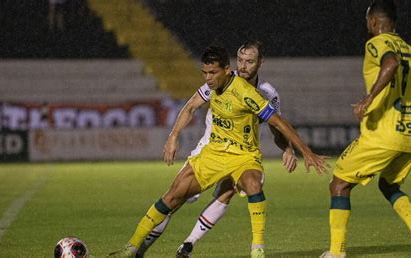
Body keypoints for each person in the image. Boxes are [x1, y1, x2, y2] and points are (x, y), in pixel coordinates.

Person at [108, 45, 328, 258]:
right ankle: (132, 249)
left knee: (248, 186)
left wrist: (302, 151)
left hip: (242, 156)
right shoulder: (212, 85)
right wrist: (173, 137)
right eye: (204, 73)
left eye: (212, 73)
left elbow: (278, 123)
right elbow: (191, 106)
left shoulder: (253, 93)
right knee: (173, 198)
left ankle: (255, 249)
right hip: (211, 151)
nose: (207, 78)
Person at [320, 1, 411, 258]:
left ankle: (336, 252)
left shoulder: (377, 43)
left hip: (383, 134)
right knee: (389, 186)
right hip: (410, 134)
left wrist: (368, 99)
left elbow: (390, 64)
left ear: (373, 21)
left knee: (338, 184)